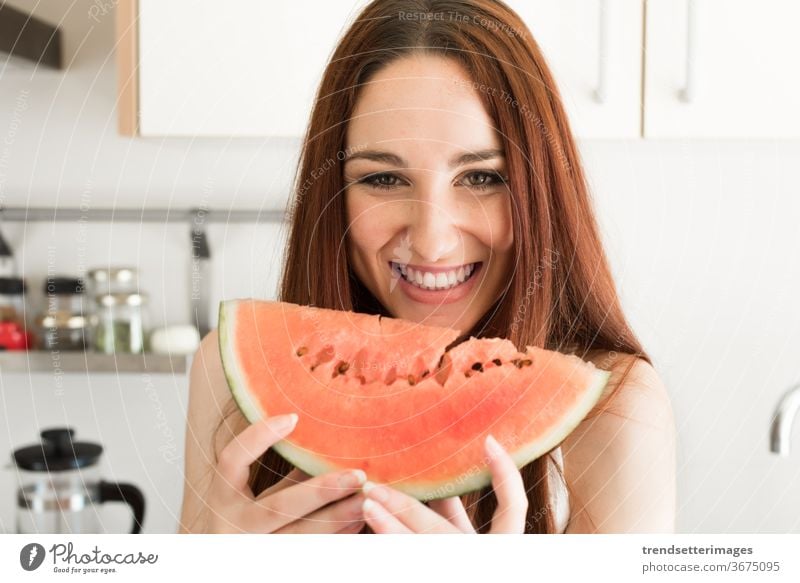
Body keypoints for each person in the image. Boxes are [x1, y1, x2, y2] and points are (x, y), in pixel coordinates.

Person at [178, 0, 676, 534]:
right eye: (384, 179)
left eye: (482, 177)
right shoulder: (223, 380)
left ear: (541, 188)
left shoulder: (616, 414)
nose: (433, 243)